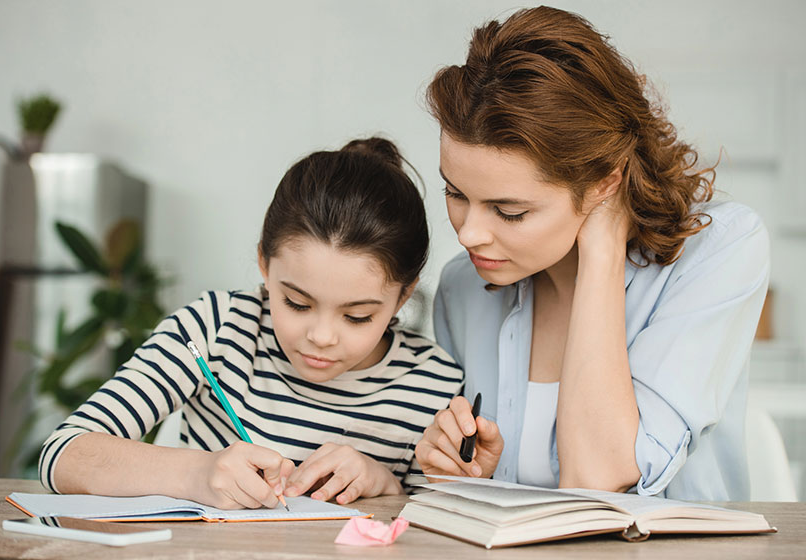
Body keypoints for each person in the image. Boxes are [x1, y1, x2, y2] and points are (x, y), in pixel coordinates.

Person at [415, 6, 769, 501]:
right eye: (455, 193)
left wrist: (602, 248)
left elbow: (599, 476)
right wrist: (452, 467)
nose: (469, 235)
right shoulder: (463, 287)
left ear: (605, 184)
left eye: (509, 211)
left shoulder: (721, 251)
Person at [39, 137, 464, 509]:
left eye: (358, 316)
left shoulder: (434, 385)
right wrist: (196, 474)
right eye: (296, 303)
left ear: (403, 295)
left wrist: (386, 485)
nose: (320, 337)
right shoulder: (217, 329)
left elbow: (442, 527)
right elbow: (61, 454)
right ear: (264, 263)